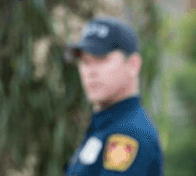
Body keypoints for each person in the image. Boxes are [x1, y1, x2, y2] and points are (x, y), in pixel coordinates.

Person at [62, 17, 164, 175]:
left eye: (101, 59)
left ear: (133, 64)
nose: (90, 72)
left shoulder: (129, 135)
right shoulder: (104, 127)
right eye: (85, 62)